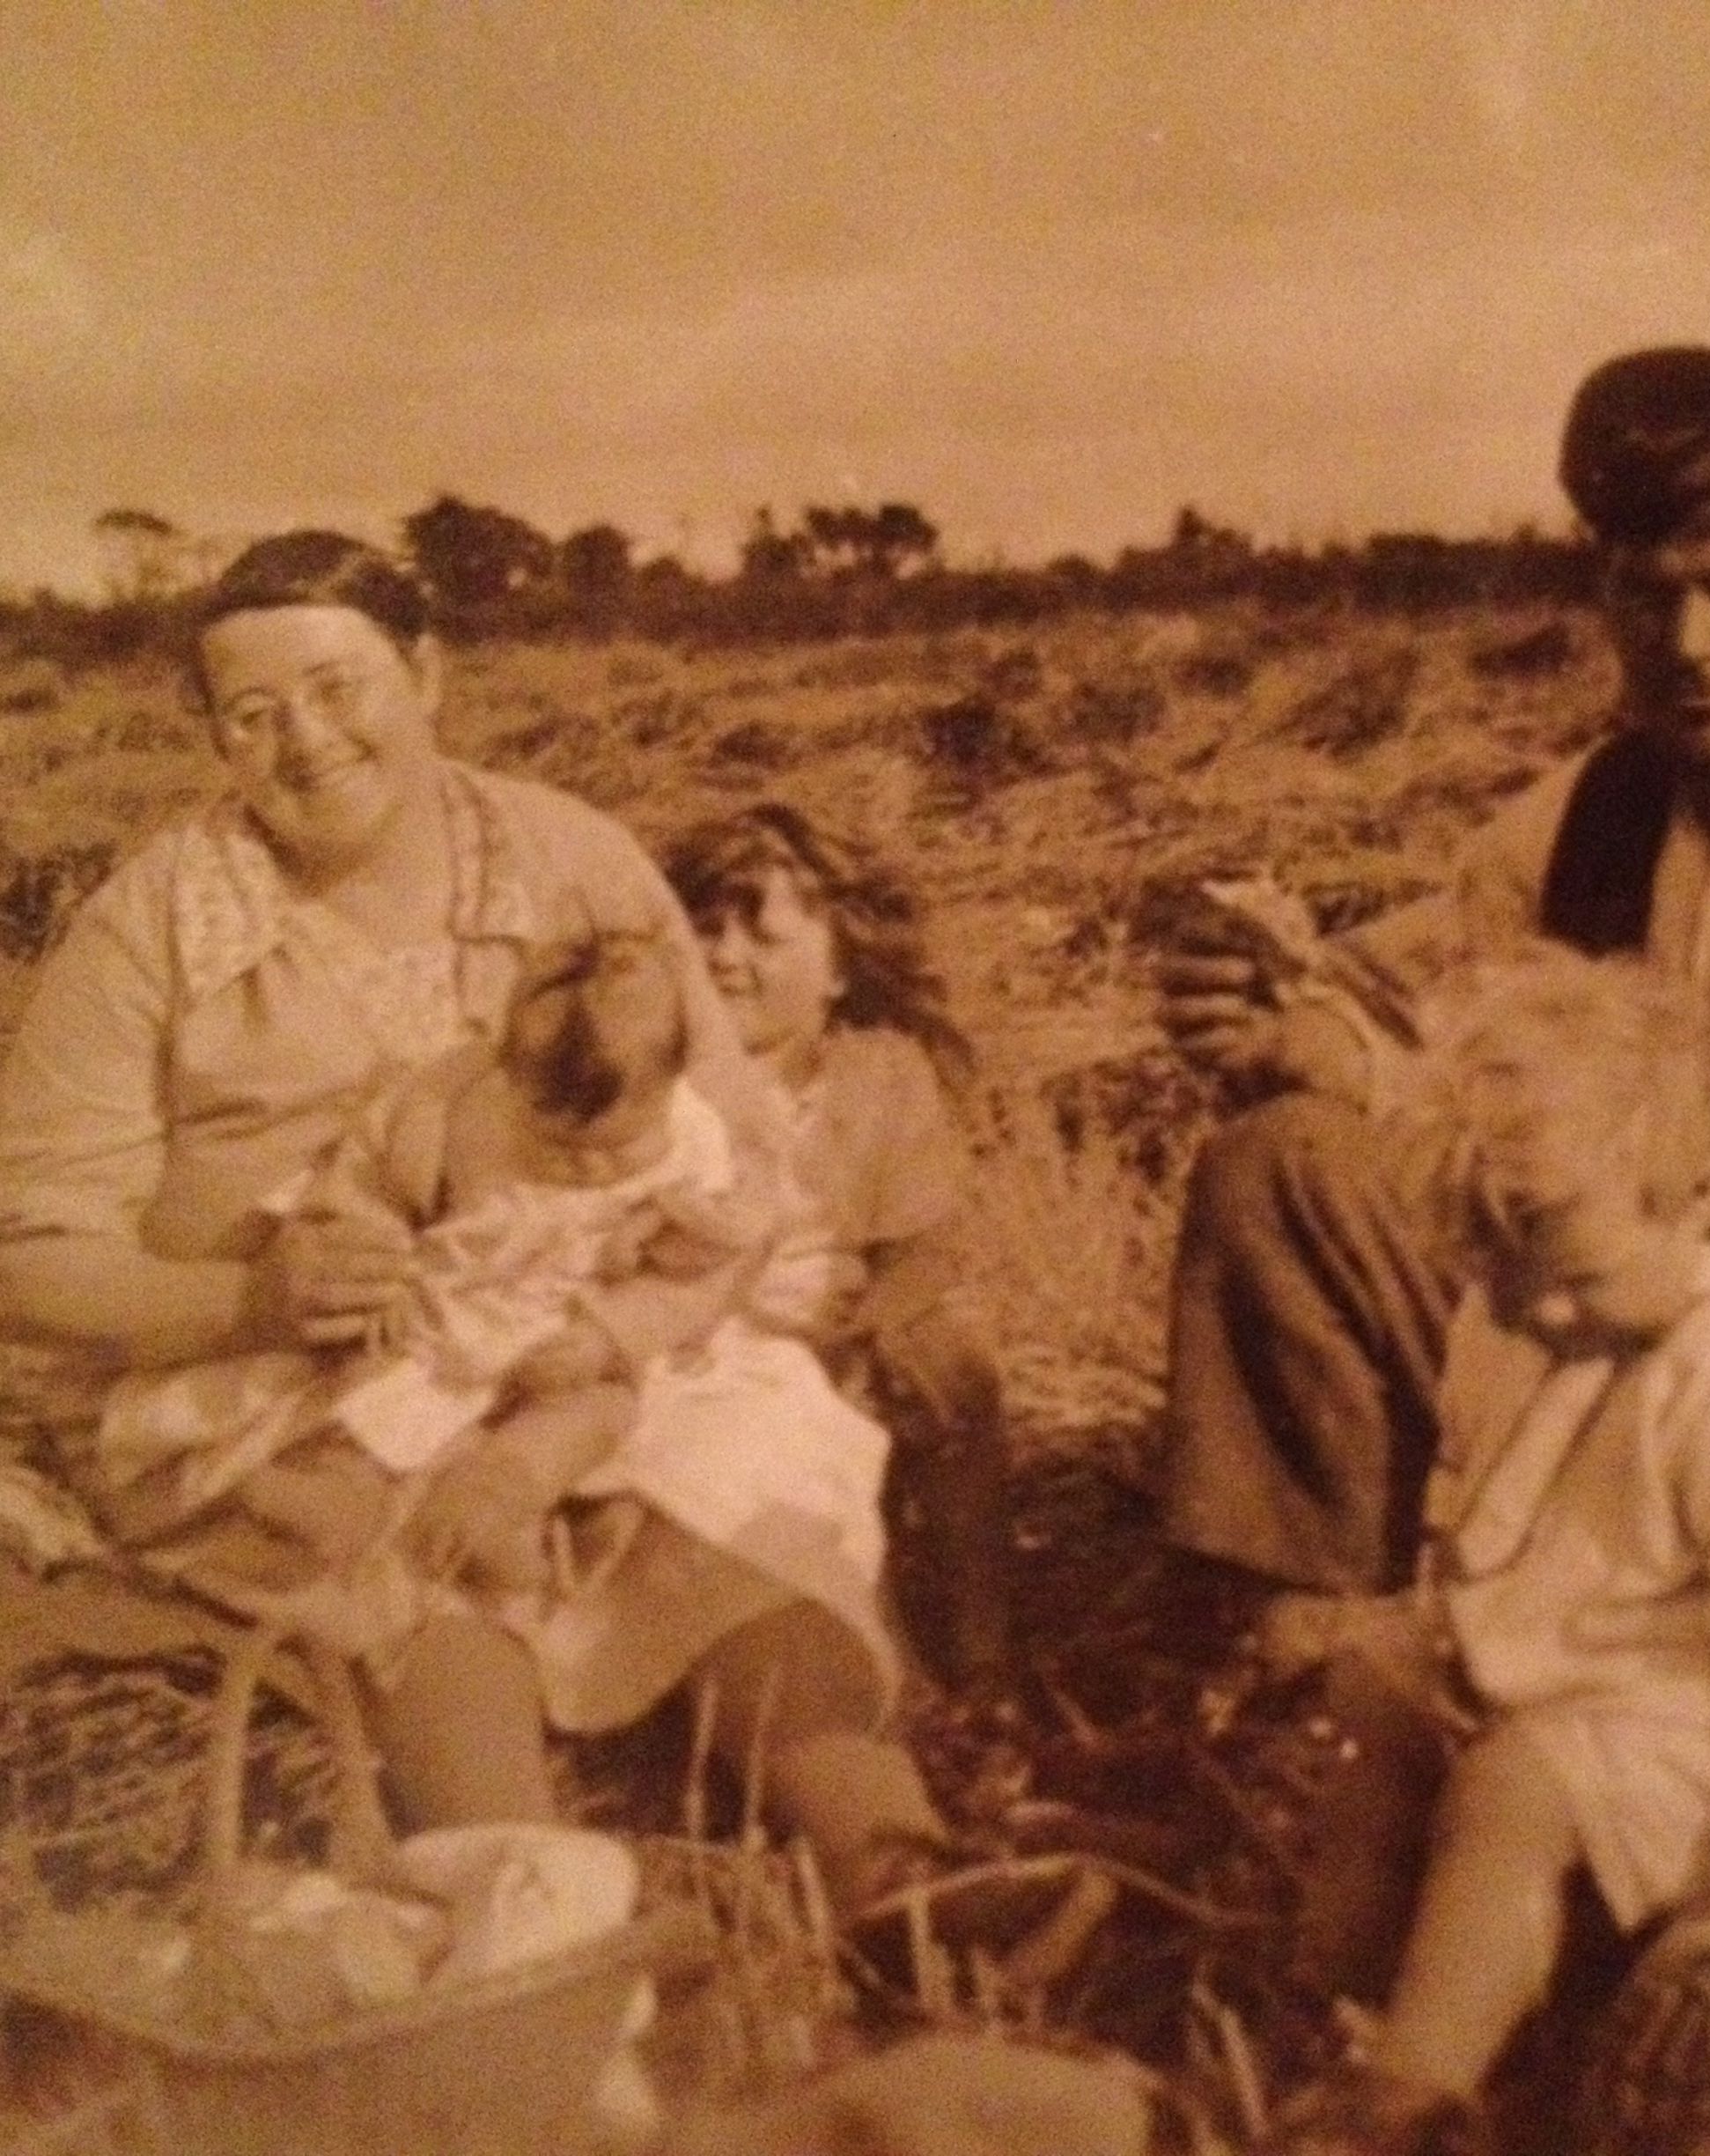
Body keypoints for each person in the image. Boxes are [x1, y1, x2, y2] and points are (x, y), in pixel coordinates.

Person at [1156, 347, 1710, 2133]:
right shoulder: (1578, 821)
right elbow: (1413, 1024)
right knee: (1290, 1164)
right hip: (1630, 1372)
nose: (1688, 643)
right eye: (1646, 592)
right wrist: (1286, 1023)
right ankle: (1312, 1653)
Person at [0, 533, 1035, 1936]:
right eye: (254, 715)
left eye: (339, 686)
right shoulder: (150, 932)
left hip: (570, 1334)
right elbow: (29, 1252)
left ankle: (903, 1874)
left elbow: (724, 1162)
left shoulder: (570, 861)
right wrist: (246, 1299)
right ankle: (540, 1910)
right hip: (278, 1381)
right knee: (417, 1544)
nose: (306, 740)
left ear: (429, 674)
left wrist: (611, 1332)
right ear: (215, 742)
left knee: (716, 1505)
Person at [1266, 945, 1710, 2138]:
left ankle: (1416, 2087)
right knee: (1375, 1692)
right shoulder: (1508, 1319)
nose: (1540, 1311)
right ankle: (1337, 1988)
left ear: (1697, 1200)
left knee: (1521, 1782)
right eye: (1493, 1273)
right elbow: (1485, 1524)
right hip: (1581, 1662)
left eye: (1571, 1273)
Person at [81, 924, 896, 1731]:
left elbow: (696, 1276)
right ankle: (336, 1496)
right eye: (558, 1142)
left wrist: (613, 1334)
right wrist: (378, 1257)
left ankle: (502, 1495)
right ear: (508, 1073)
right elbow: (365, 1182)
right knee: (368, 1391)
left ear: (673, 1084)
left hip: (566, 1339)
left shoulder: (692, 1145)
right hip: (447, 1315)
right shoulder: (443, 1104)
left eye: (615, 1150)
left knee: (601, 1411)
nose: (589, 1171)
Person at [662, 804, 1015, 1697]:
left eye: (762, 938)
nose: (724, 959)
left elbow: (923, 1246)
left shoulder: (880, 1075)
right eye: (704, 932)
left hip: (841, 1328)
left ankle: (984, 1644)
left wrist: (867, 1327)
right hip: (693, 1337)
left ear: (838, 970)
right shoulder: (656, 1082)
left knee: (951, 1367)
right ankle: (877, 1669)